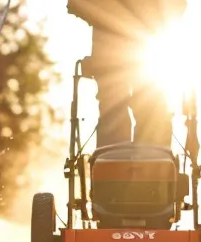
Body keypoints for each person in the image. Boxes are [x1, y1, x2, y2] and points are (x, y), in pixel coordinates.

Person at [67, 0, 187, 148]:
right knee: (137, 112)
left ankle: (146, 163)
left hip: (138, 53)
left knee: (143, 111)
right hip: (132, 53)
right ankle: (137, 163)